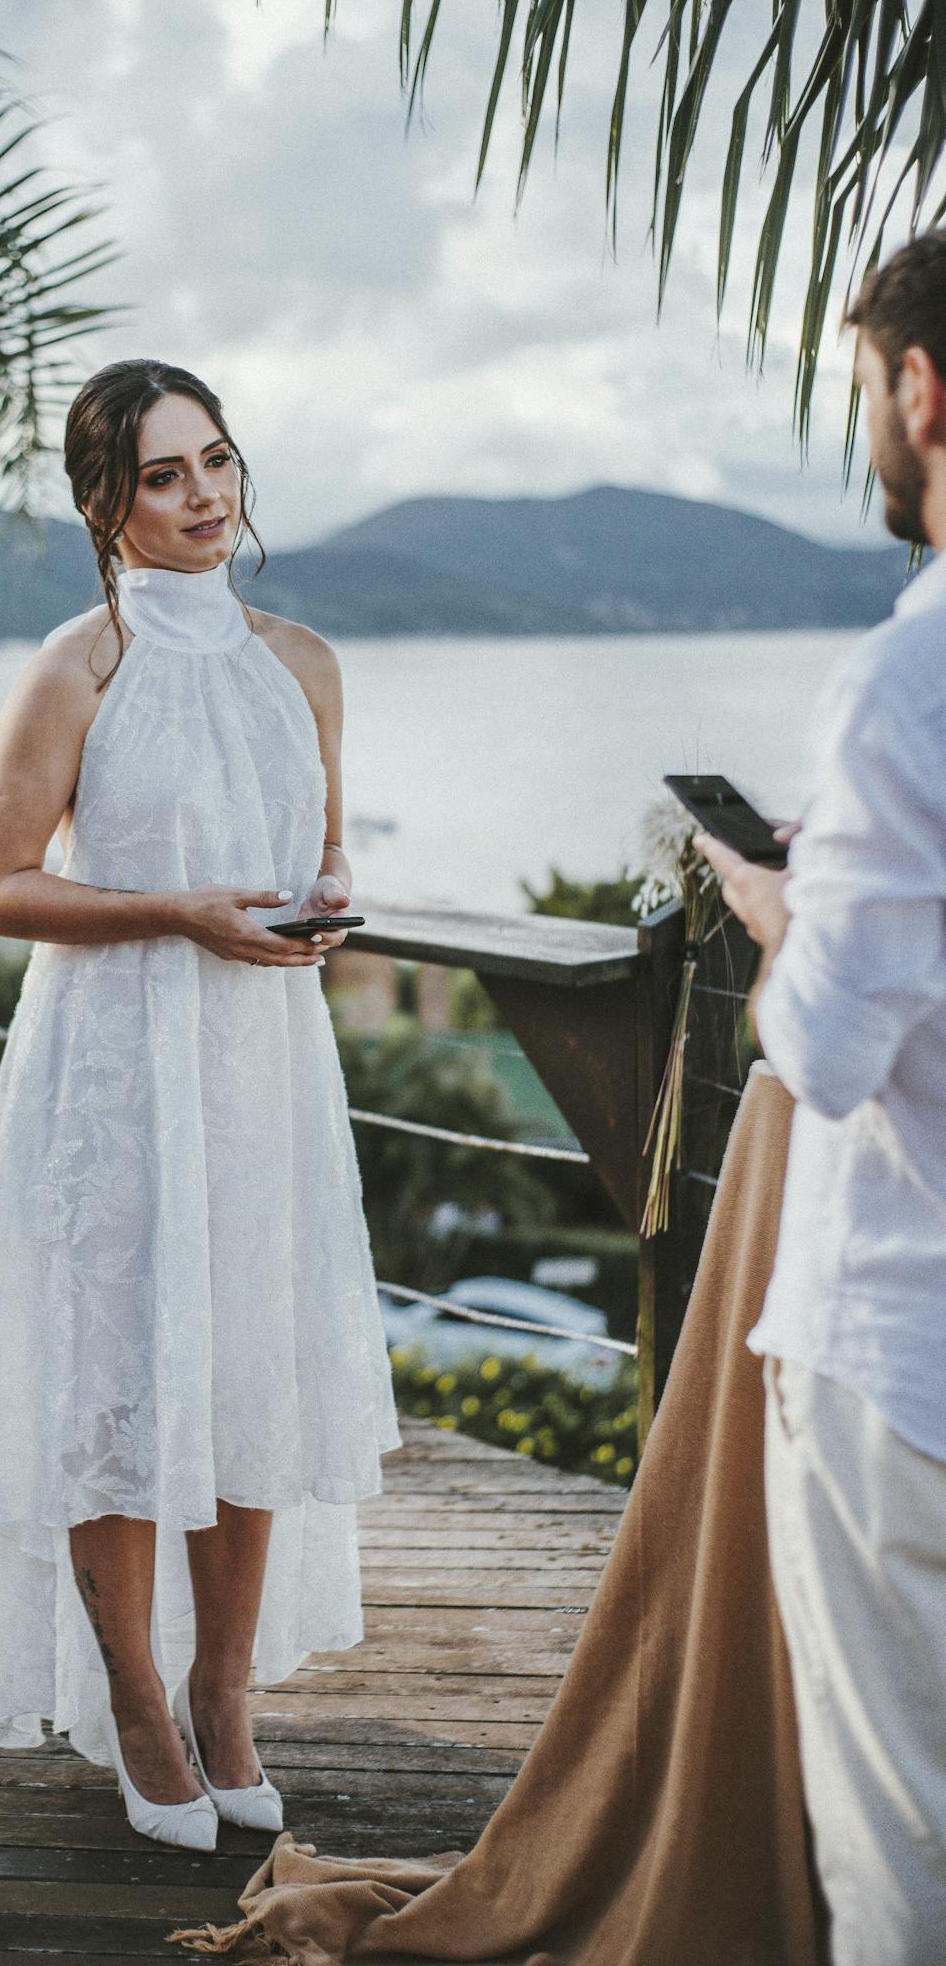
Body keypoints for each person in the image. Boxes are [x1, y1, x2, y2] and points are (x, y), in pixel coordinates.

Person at [0, 359, 400, 1851]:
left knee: (248, 1371)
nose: (203, 498)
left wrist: (318, 905)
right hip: (115, 1070)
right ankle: (132, 1703)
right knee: (110, 1388)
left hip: (259, 1067)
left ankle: (225, 1694)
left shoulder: (301, 660)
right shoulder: (77, 665)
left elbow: (313, 854)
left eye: (216, 463)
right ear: (103, 506)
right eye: (163, 476)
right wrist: (179, 910)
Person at [699, 229, 946, 1965]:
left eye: (865, 385)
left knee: (899, 1852)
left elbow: (828, 1053)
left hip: (905, 1353)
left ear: (920, 390)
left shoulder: (899, 685)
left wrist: (782, 906)